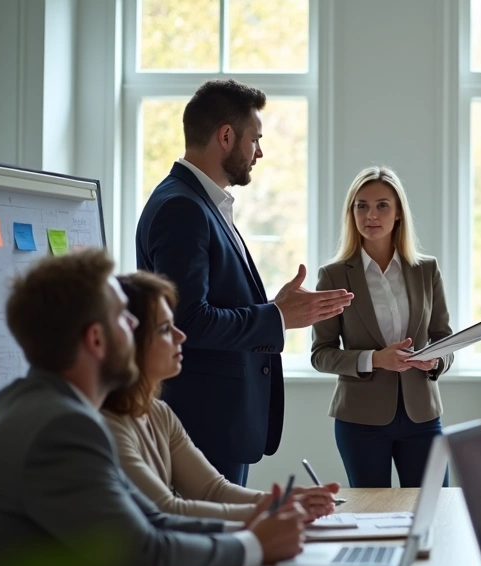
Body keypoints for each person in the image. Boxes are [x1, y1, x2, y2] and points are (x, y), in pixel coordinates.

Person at [0, 250, 308, 566]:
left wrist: (263, 527)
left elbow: (154, 522)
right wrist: (255, 544)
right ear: (96, 339)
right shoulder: (61, 427)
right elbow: (146, 557)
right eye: (123, 317)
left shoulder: (40, 404)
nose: (134, 326)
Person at [136, 79, 354, 486]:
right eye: (255, 139)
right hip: (203, 426)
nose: (260, 152)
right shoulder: (182, 208)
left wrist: (276, 307)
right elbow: (187, 320)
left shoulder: (201, 203)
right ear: (225, 136)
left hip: (217, 423)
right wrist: (275, 316)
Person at [102, 271, 341, 521]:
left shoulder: (159, 413)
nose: (180, 336)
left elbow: (212, 490)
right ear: (128, 339)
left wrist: (286, 501)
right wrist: (274, 512)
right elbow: (167, 510)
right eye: (164, 329)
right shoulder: (107, 424)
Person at [311, 167, 452, 488]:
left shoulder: (426, 270)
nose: (370, 215)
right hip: (360, 421)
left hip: (423, 416)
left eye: (382, 205)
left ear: (399, 212)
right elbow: (321, 354)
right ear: (352, 212)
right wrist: (375, 359)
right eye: (361, 205)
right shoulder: (333, 275)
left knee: (435, 509)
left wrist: (436, 361)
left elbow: (445, 339)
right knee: (372, 516)